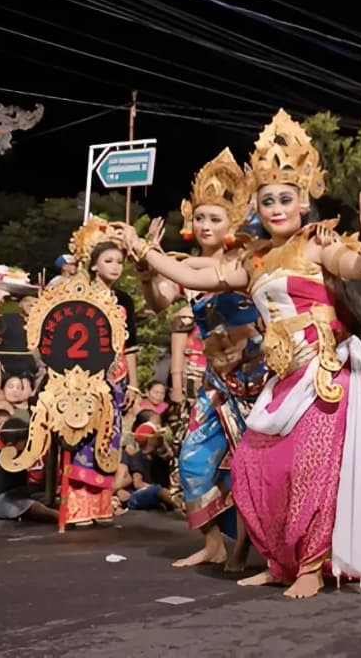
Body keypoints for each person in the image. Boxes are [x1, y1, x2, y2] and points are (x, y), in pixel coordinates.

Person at [118, 109, 361, 599]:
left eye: (286, 198)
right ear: (258, 208)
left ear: (303, 201)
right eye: (269, 200)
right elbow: (196, 277)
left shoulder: (317, 244)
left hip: (322, 373)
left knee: (311, 469)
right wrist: (143, 252)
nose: (278, 207)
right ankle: (280, 561)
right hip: (281, 380)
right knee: (253, 467)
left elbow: (356, 266)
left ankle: (310, 567)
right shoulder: (253, 260)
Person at [133, 148, 267, 569]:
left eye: (216, 218)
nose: (206, 225)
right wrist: (145, 272)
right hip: (216, 383)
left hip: (256, 379)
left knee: (245, 467)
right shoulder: (180, 268)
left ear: (233, 222)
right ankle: (214, 543)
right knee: (192, 459)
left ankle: (244, 545)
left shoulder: (247, 261)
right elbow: (158, 303)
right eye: (201, 218)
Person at [63, 218, 139, 525]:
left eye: (120, 262)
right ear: (94, 265)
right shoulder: (78, 295)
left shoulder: (124, 301)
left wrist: (133, 384)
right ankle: (79, 508)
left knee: (109, 438)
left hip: (117, 379)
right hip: (82, 380)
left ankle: (101, 505)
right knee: (83, 437)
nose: (116, 267)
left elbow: (131, 346)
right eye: (108, 261)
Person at [0, 416, 58, 522]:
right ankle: (60, 517)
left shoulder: (21, 458)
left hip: (20, 495)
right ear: (19, 442)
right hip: (1, 501)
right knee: (34, 506)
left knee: (45, 498)